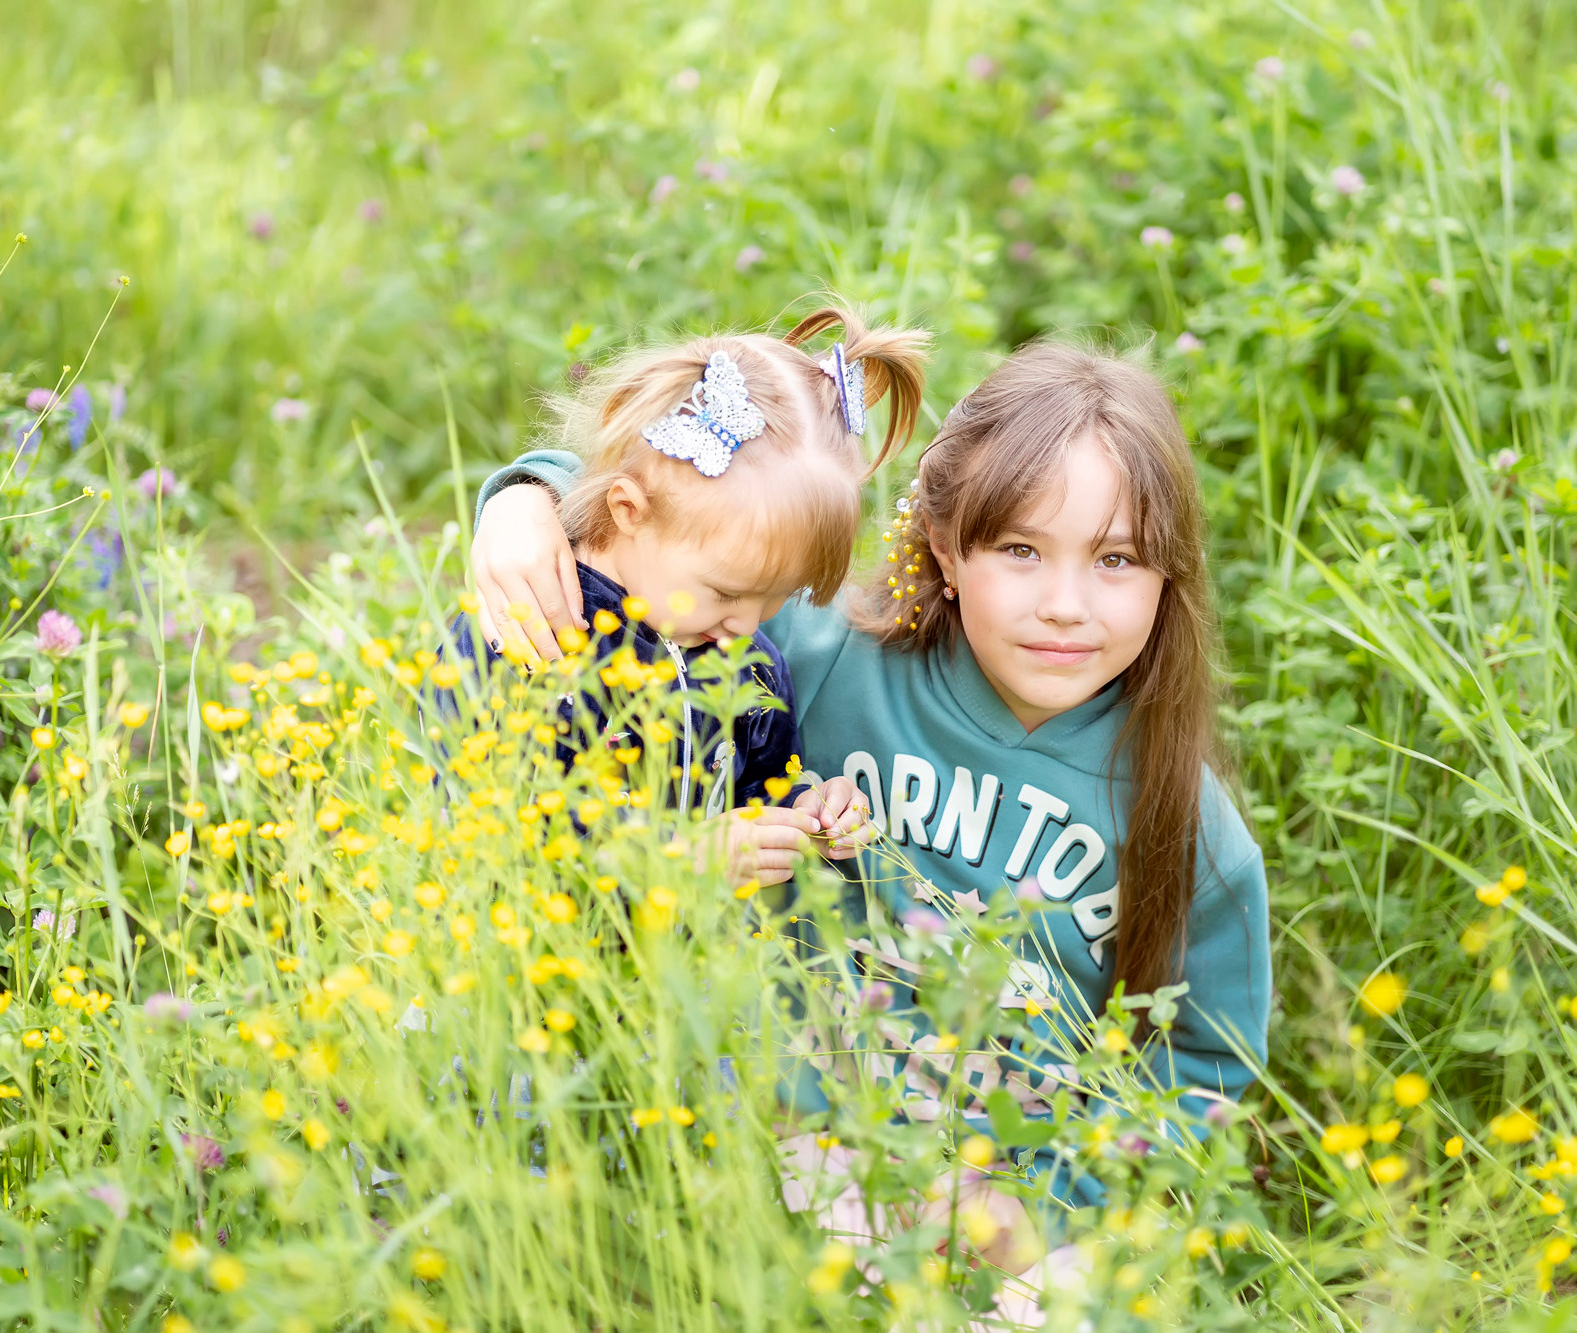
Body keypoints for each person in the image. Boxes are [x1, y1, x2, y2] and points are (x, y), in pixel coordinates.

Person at [470, 339, 1271, 1319]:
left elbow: (1201, 1066)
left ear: (1165, 576)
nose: (1064, 605)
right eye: (1020, 549)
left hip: (1022, 1212)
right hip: (790, 1150)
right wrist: (522, 504)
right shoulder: (815, 657)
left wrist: (1049, 1208)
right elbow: (665, 511)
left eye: (1114, 560)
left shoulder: (1182, 821)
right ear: (941, 544)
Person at [450, 306, 930, 884]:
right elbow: (493, 837)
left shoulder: (745, 661)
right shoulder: (536, 625)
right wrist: (677, 859)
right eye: (727, 591)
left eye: (781, 595)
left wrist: (805, 807)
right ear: (628, 511)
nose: (748, 623)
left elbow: (762, 780)